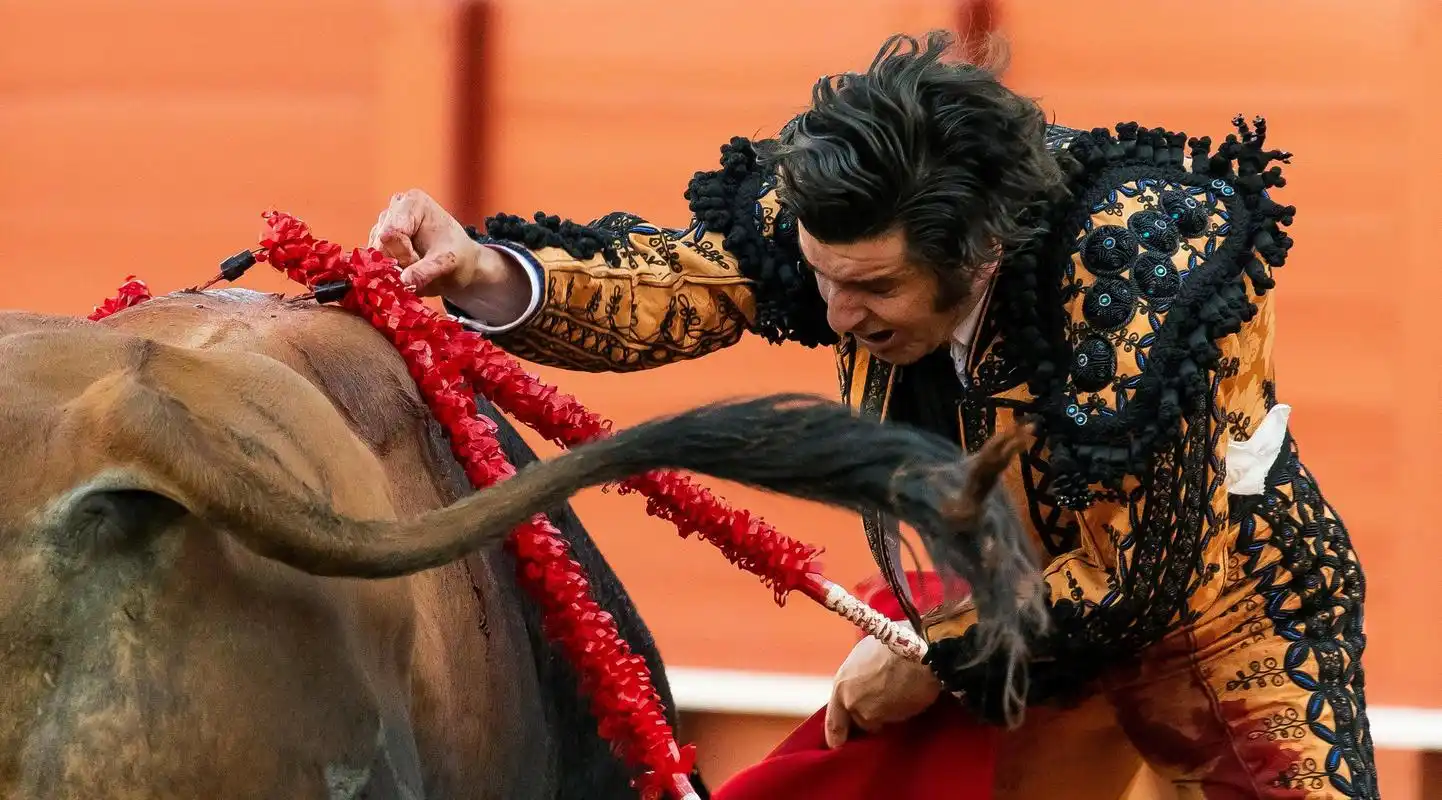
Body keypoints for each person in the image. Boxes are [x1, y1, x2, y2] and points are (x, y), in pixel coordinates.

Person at [367, 30, 1375, 799]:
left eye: (873, 289)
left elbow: (1136, 575)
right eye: (822, 280)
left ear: (979, 250)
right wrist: (488, 269)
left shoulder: (1137, 257)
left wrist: (936, 655)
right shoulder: (846, 228)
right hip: (1004, 617)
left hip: (1223, 624)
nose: (838, 316)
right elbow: (688, 280)